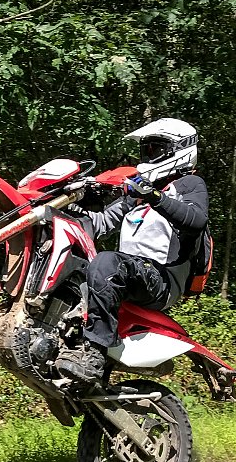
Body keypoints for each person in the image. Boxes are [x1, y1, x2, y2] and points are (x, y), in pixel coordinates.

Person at [55, 117, 209, 384]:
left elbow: (196, 220)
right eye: (146, 149)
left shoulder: (189, 185)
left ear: (179, 149)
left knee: (105, 262)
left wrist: (155, 197)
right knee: (74, 267)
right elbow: (99, 224)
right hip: (132, 275)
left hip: (162, 279)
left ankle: (93, 355)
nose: (149, 155)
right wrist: (71, 205)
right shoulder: (136, 195)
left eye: (156, 148)